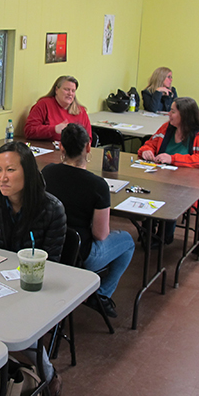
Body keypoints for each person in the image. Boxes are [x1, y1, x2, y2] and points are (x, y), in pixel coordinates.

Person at [0, 141, 65, 396]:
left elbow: (55, 265)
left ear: (29, 173)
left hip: (35, 288)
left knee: (22, 330)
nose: (2, 177)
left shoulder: (51, 209)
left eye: (10, 170)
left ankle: (49, 379)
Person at [43, 124, 135, 318]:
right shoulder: (97, 185)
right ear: (88, 148)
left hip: (49, 248)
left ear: (61, 147)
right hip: (80, 255)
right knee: (127, 241)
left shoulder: (48, 172)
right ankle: (101, 295)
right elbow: (100, 234)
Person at [138, 97, 199, 245]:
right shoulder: (166, 128)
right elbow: (150, 144)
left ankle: (164, 235)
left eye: (173, 112)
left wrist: (172, 159)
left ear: (184, 115)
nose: (169, 115)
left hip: (187, 183)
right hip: (161, 177)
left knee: (169, 196)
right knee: (146, 189)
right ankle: (148, 231)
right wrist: (146, 151)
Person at [24, 75, 92, 142]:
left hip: (74, 151)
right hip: (48, 149)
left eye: (73, 91)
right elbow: (29, 131)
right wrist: (54, 129)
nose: (70, 94)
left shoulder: (81, 111)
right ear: (56, 90)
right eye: (67, 89)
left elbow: (88, 138)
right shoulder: (43, 105)